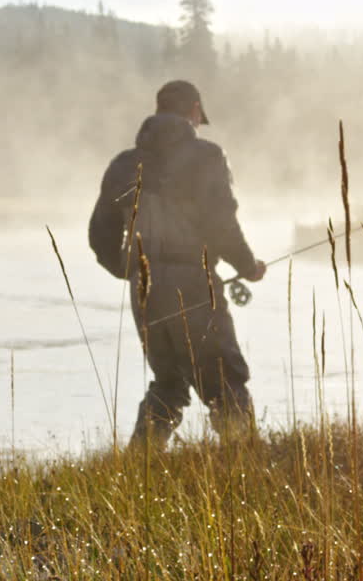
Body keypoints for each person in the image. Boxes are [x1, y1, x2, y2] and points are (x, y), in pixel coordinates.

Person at [88, 79, 266, 449]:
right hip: (193, 284)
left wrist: (132, 270)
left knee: (168, 382)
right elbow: (221, 224)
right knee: (224, 379)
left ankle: (140, 465)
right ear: (195, 111)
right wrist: (248, 266)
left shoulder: (124, 164)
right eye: (200, 118)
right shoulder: (206, 157)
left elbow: (100, 235)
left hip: (145, 291)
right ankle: (246, 461)